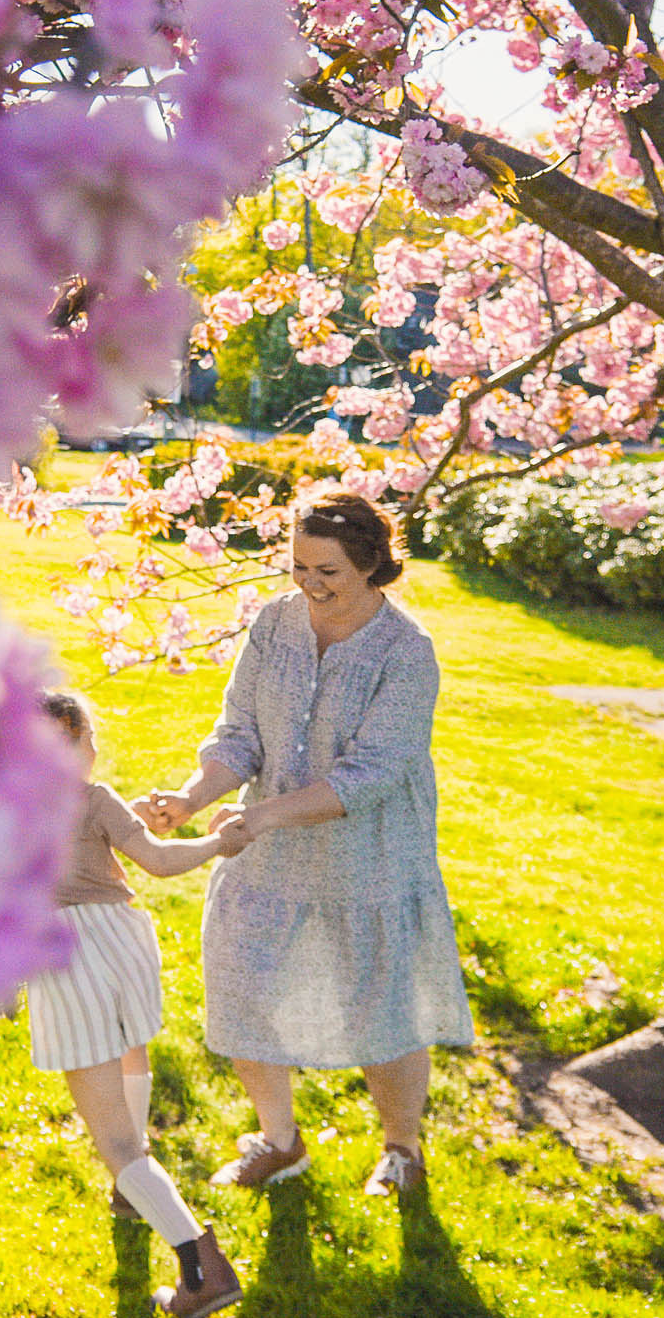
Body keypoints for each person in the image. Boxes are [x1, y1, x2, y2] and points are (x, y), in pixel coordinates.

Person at [140, 489, 473, 1198]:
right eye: (299, 566)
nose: (310, 584)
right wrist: (192, 797)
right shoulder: (274, 625)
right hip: (272, 854)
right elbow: (240, 736)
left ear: (372, 566)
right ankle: (281, 1142)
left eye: (329, 572)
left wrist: (260, 818)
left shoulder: (406, 652)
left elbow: (372, 775)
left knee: (382, 1001)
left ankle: (402, 1149)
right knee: (245, 984)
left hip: (370, 856)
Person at [28, 689, 244, 1318]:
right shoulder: (93, 798)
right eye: (91, 739)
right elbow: (156, 860)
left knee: (117, 1145)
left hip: (66, 954)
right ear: (74, 742)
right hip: (123, 942)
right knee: (130, 1046)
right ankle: (133, 1197)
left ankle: (200, 1268)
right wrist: (215, 845)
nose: (97, 750)